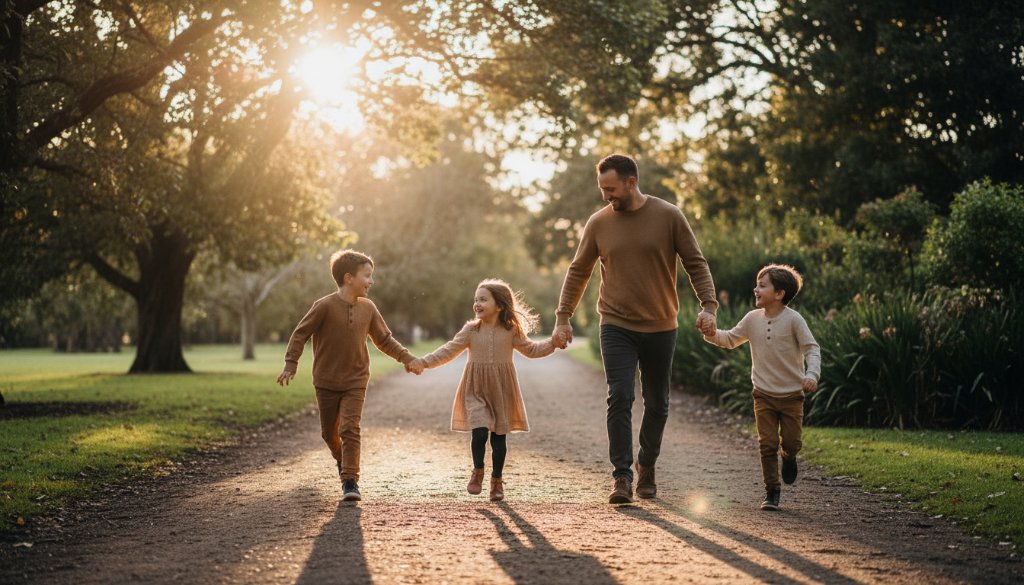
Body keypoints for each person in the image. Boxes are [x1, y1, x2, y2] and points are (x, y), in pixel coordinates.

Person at [553, 153, 719, 504]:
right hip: (616, 323)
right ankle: (622, 477)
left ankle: (647, 465)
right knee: (620, 396)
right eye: (601, 188)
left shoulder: (669, 216)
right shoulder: (598, 223)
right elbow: (578, 270)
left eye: (610, 188)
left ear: (631, 182)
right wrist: (563, 316)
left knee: (658, 403)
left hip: (661, 325)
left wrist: (709, 306)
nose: (605, 196)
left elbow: (695, 263)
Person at [277, 250, 417, 502]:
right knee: (328, 434)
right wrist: (291, 363)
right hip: (326, 381)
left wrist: (407, 358)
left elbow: (384, 340)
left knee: (350, 428)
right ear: (349, 278)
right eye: (367, 275)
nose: (371, 281)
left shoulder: (369, 308)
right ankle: (343, 461)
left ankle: (350, 481)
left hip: (356, 379)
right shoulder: (324, 306)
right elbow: (300, 334)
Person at [407, 279, 561, 502]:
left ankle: (496, 480)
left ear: (499, 305)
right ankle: (478, 471)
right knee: (479, 432)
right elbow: (448, 350)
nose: (477, 303)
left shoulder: (511, 331)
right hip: (476, 389)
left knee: (499, 440)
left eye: (483, 299)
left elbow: (532, 349)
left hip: (502, 390)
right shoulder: (471, 330)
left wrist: (553, 342)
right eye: (476, 299)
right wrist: (424, 362)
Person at [702, 264, 821, 511]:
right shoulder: (751, 319)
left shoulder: (793, 320)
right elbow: (730, 339)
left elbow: (812, 348)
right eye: (757, 284)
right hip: (763, 395)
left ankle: (789, 458)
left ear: (779, 293)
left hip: (791, 396)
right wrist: (711, 333)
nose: (755, 289)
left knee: (791, 443)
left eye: (762, 285)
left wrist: (812, 374)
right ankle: (772, 491)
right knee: (767, 443)